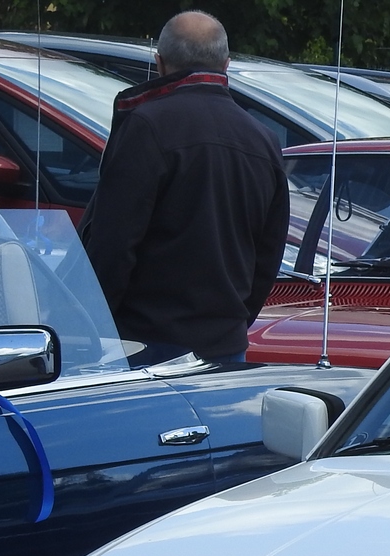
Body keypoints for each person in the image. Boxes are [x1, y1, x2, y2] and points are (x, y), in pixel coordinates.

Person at [80, 10, 287, 363]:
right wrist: (232, 323)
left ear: (160, 64)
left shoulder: (146, 127)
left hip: (145, 345)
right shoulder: (264, 139)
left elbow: (113, 245)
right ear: (226, 64)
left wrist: (94, 329)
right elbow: (268, 254)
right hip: (226, 346)